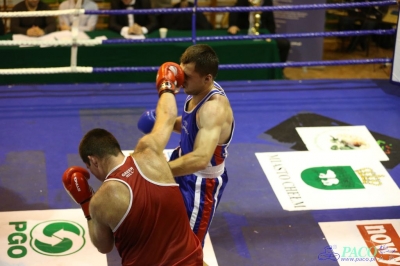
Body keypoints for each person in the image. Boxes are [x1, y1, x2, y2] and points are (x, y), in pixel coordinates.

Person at [62, 62, 203, 265]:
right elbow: (167, 117)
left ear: (93, 160)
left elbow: (103, 246)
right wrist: (167, 87)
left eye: (89, 167)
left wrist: (86, 204)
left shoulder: (100, 201)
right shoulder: (150, 151)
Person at [138, 44, 235, 246]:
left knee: (186, 247)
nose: (181, 81)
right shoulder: (196, 90)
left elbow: (200, 159)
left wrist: (159, 170)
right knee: (164, 227)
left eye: (187, 77)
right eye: (181, 73)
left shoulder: (213, 108)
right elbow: (191, 123)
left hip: (200, 183)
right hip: (182, 160)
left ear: (207, 78)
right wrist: (162, 122)